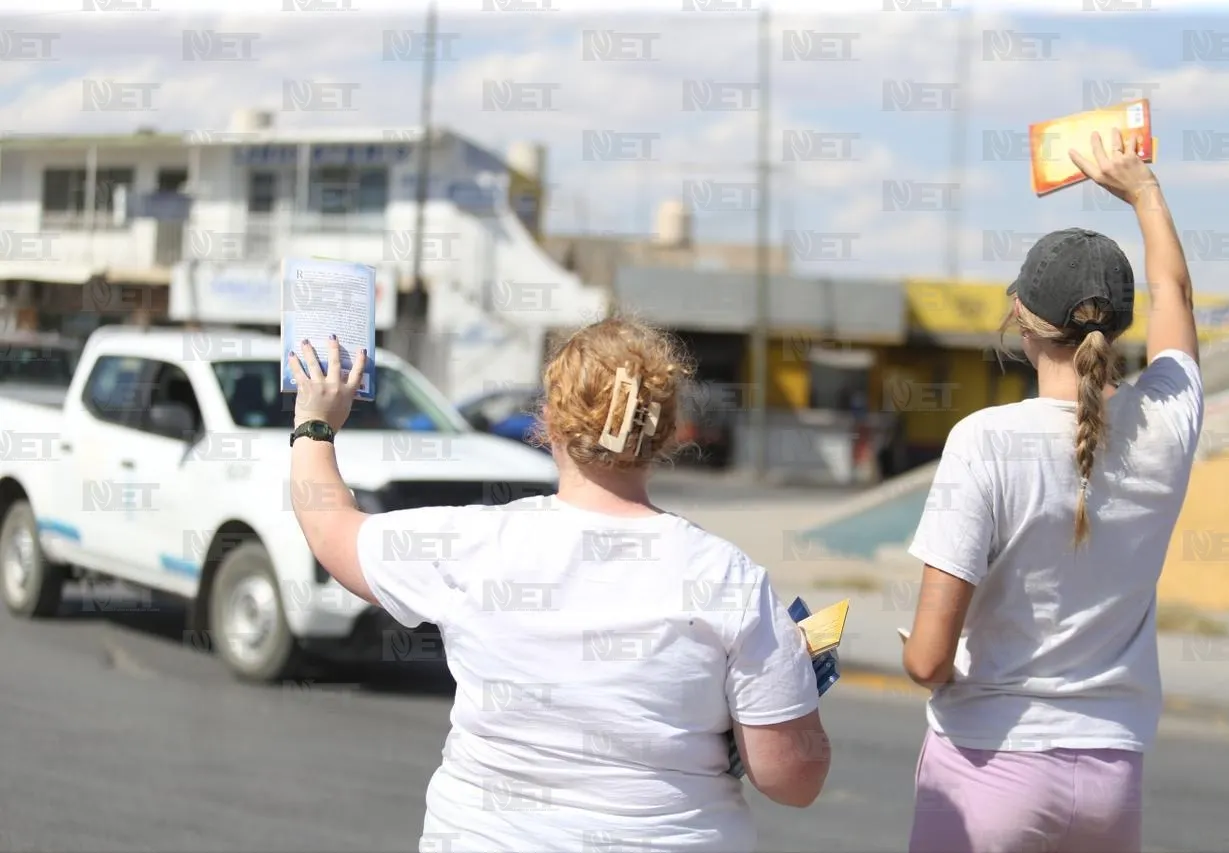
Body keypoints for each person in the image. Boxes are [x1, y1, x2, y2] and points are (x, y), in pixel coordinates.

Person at [286, 318, 831, 852]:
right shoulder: (728, 578)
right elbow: (791, 779)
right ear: (665, 433)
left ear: (549, 421)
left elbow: (330, 528)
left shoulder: (472, 544)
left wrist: (315, 423)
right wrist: (790, 679)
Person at [902, 129, 1204, 853]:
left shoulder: (984, 441)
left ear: (1021, 321)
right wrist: (1145, 192)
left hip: (989, 763)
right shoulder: (1168, 422)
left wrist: (915, 646)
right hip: (1112, 776)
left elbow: (929, 661)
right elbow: (1177, 291)